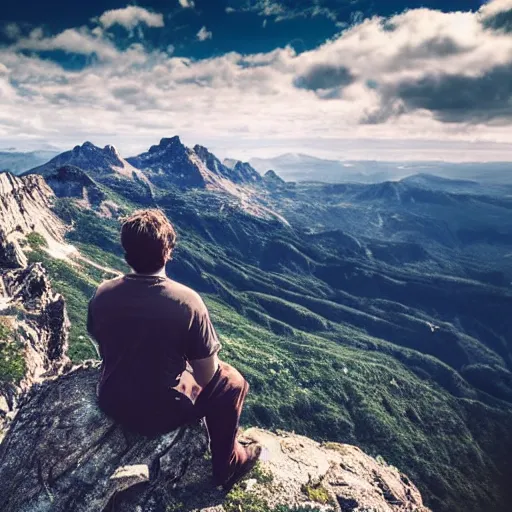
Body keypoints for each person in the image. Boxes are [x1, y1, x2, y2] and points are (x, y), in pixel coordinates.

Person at [87, 209, 261, 490]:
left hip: (111, 400)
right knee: (232, 382)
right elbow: (208, 377)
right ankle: (228, 464)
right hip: (159, 414)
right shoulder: (186, 301)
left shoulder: (102, 292)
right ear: (167, 251)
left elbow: (101, 344)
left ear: (126, 251)